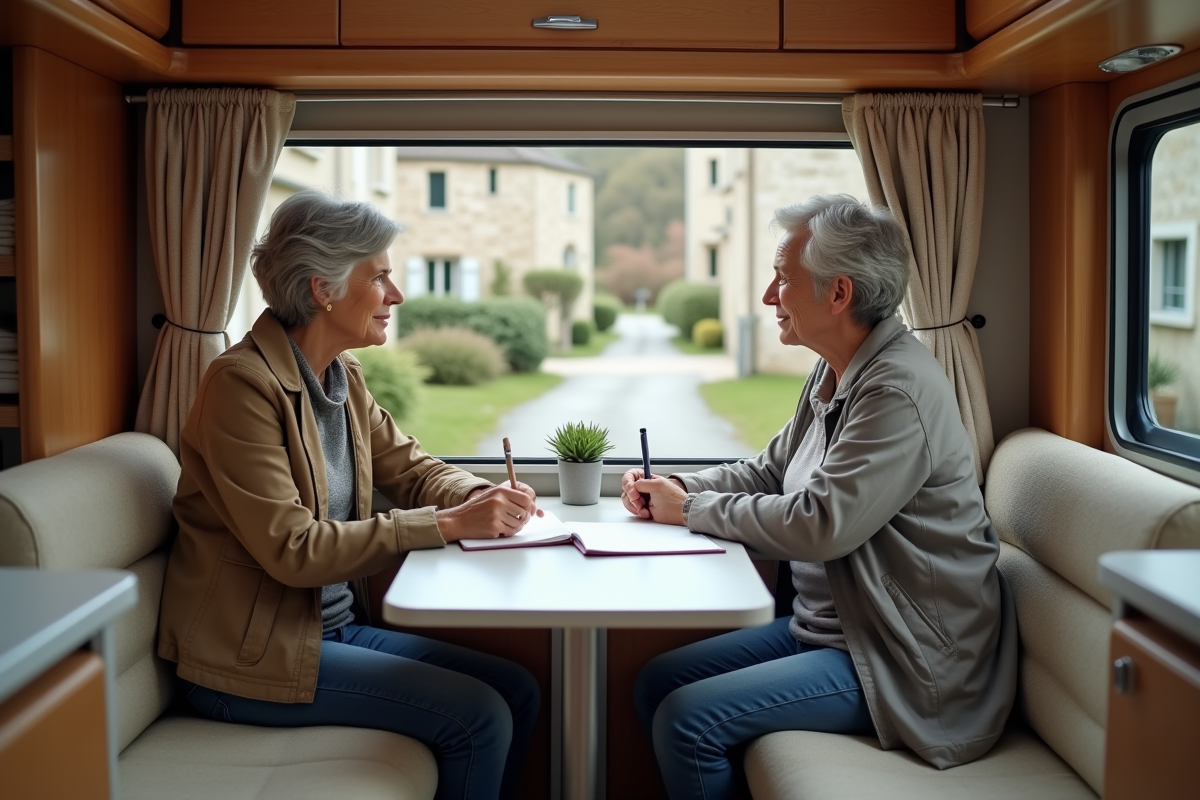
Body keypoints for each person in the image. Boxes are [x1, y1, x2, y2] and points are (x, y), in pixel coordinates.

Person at [621, 194, 1016, 800]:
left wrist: (691, 511)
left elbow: (821, 524)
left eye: (783, 278)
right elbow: (771, 470)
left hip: (899, 658)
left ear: (839, 294)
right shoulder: (836, 370)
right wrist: (677, 490)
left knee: (688, 720)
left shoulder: (896, 390)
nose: (767, 297)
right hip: (830, 631)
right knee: (655, 682)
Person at [158, 190, 540, 800]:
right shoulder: (240, 387)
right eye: (381, 277)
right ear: (323, 289)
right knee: (479, 715)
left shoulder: (342, 377)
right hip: (248, 663)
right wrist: (448, 526)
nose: (397, 296)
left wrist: (481, 495)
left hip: (331, 633)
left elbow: (413, 469)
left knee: (519, 687)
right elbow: (294, 550)